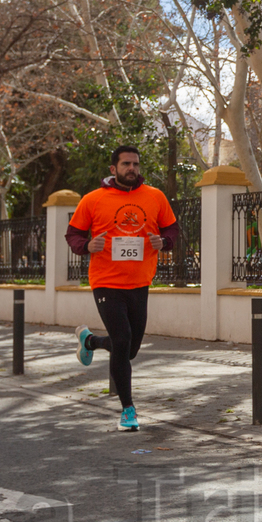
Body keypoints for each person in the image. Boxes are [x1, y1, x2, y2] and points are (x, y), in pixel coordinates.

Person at [65, 145, 179, 431]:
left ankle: (90, 341)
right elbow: (73, 233)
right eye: (126, 164)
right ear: (113, 169)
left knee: (128, 350)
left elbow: (172, 230)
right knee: (123, 337)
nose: (132, 169)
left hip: (140, 281)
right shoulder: (93, 200)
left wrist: (163, 242)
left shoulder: (155, 197)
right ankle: (128, 410)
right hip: (106, 281)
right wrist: (86, 245)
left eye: (136, 164)